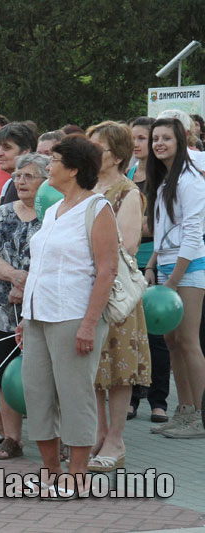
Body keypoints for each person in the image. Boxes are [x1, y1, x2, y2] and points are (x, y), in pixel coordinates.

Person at [18, 135, 118, 497]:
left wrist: (90, 323)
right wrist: (25, 316)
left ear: (74, 169)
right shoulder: (53, 210)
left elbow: (107, 271)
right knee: (37, 392)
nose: (47, 165)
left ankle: (77, 473)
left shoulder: (97, 208)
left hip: (74, 315)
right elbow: (41, 266)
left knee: (75, 394)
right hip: (38, 316)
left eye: (54, 159)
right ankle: (50, 470)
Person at [84, 121, 151, 469]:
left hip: (116, 293)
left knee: (120, 367)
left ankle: (116, 440)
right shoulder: (86, 188)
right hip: (86, 287)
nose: (94, 152)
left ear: (119, 154)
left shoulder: (127, 192)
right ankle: (98, 432)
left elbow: (128, 244)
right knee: (94, 364)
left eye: (101, 148)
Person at [0, 153, 47, 457]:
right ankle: (12, 438)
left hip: (42, 308)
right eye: (18, 176)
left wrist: (29, 285)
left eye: (29, 176)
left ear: (46, 181)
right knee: (3, 373)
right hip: (1, 309)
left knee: (45, 375)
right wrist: (16, 276)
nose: (21, 181)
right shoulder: (4, 213)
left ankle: (52, 438)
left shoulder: (53, 213)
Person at [144, 117, 205, 438]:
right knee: (171, 342)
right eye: (156, 138)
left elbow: (193, 234)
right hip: (167, 267)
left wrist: (172, 280)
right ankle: (184, 410)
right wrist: (153, 264)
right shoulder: (165, 181)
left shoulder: (191, 180)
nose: (159, 144)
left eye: (166, 138)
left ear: (181, 142)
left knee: (188, 341)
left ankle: (198, 417)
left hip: (190, 267)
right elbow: (164, 232)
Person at [127, 117, 171, 423]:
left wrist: (137, 228)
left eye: (143, 138)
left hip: (152, 261)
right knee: (129, 333)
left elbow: (160, 226)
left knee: (155, 335)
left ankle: (159, 401)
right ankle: (130, 399)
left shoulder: (163, 178)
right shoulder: (127, 174)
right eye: (134, 138)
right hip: (127, 261)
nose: (137, 144)